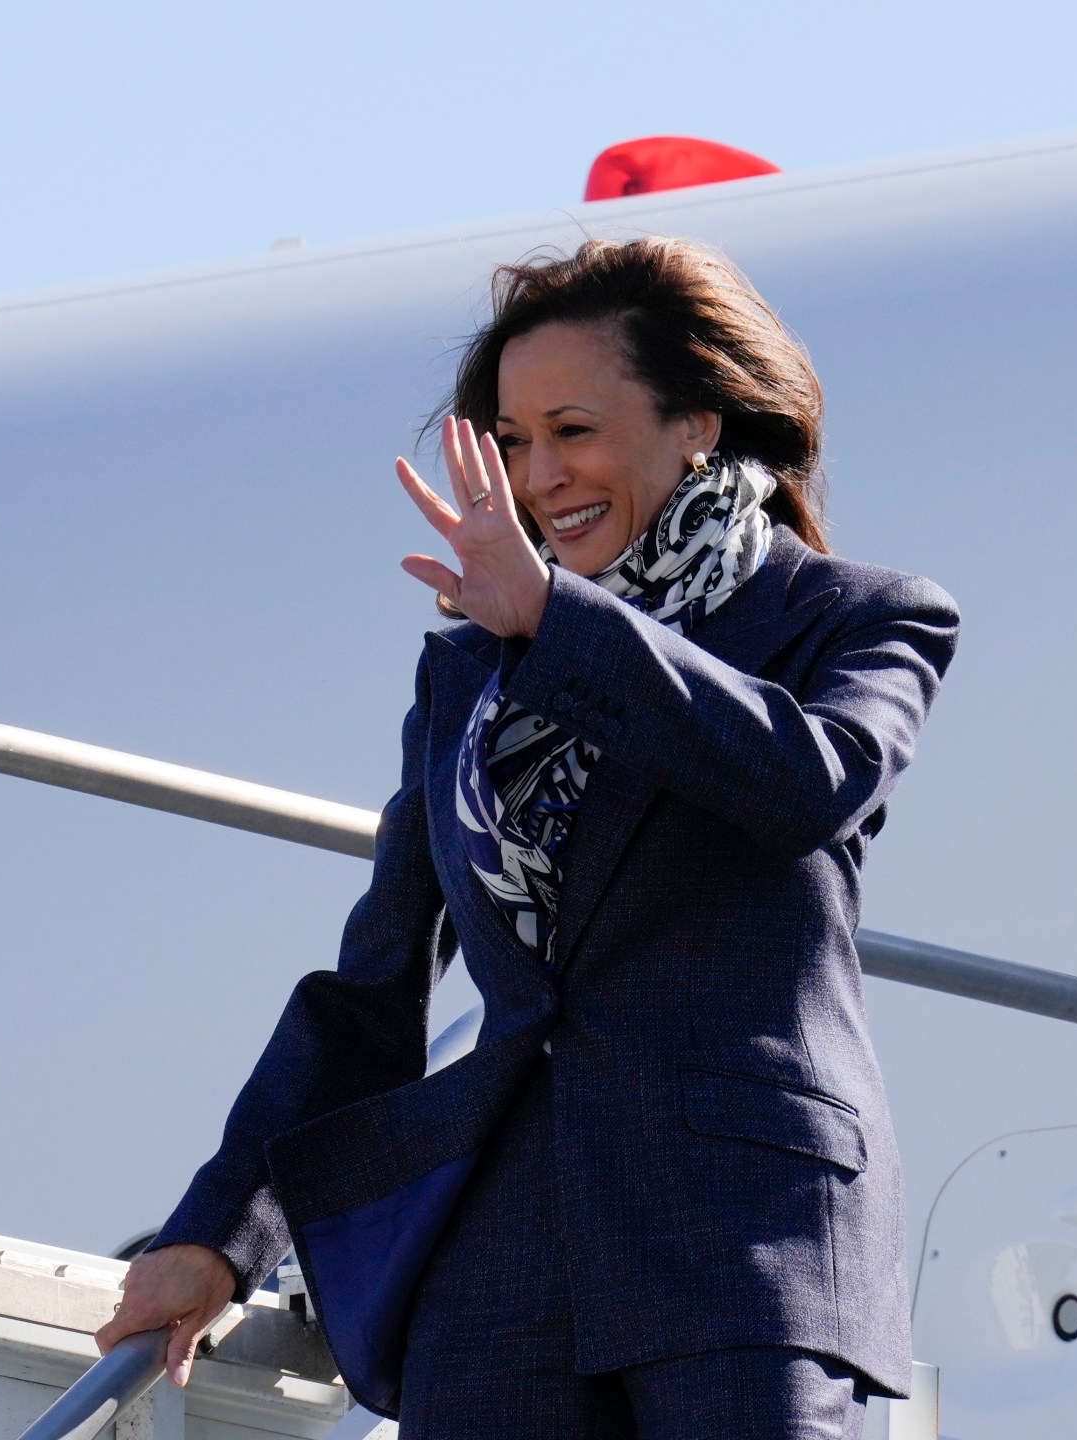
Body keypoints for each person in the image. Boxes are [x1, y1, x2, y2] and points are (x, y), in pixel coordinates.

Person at [99, 236, 960, 1439]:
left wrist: (563, 621)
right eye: (513, 442)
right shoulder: (471, 673)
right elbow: (374, 990)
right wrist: (220, 1234)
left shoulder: (853, 617)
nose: (540, 475)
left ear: (697, 423)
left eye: (574, 429)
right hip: (501, 1266)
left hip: (740, 1231)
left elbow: (809, 782)